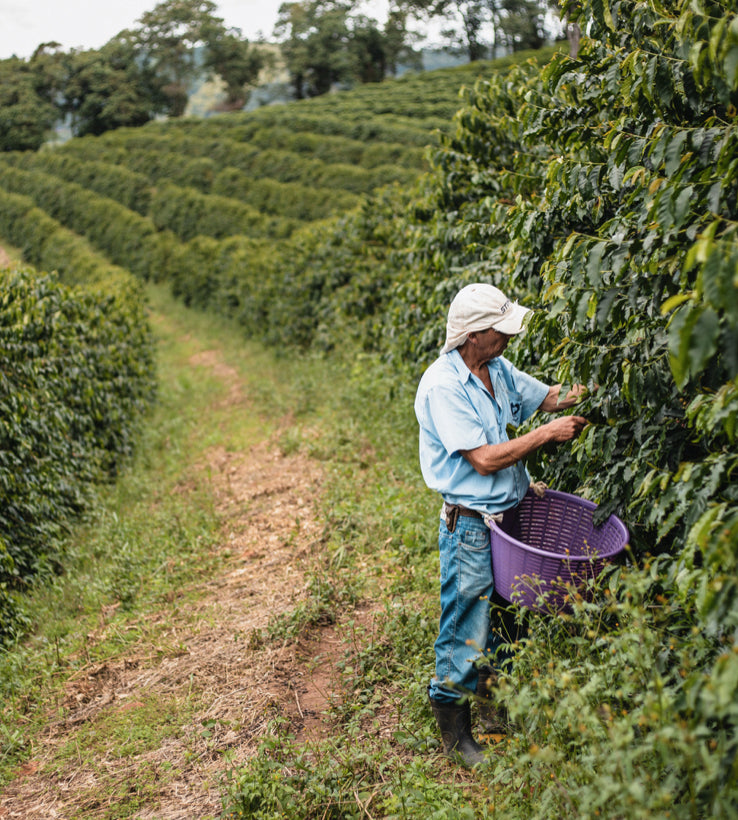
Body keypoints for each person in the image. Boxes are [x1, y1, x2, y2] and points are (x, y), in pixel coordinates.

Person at [414, 282, 589, 766]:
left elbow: (548, 397)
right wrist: (545, 436)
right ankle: (454, 728)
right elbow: (486, 460)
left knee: (508, 614)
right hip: (470, 525)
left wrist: (591, 387)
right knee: (466, 622)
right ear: (473, 335)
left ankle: (496, 706)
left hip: (507, 519)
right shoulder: (444, 386)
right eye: (499, 332)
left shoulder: (495, 367)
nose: (507, 339)